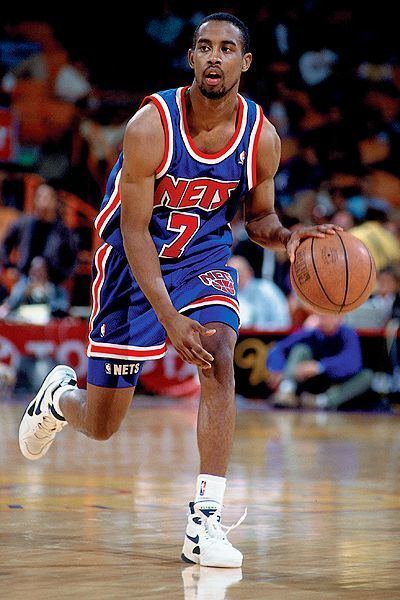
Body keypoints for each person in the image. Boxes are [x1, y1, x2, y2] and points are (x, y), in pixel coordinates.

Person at [18, 13, 340, 568]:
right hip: (129, 261)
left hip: (203, 254)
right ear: (191, 58)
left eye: (227, 49)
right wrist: (169, 318)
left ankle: (205, 519)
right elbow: (134, 230)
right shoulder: (151, 125)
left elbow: (258, 218)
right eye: (204, 47)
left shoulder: (262, 137)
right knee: (102, 423)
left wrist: (288, 237)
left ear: (246, 62)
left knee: (218, 354)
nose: (215, 57)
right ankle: (58, 400)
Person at [267, 314, 373, 409]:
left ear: (339, 319)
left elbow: (353, 363)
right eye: (321, 316)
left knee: (367, 376)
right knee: (301, 349)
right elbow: (279, 347)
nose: (325, 320)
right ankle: (286, 391)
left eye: (329, 316)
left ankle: (321, 402)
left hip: (336, 384)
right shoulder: (313, 332)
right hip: (312, 382)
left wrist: (320, 366)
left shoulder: (348, 334)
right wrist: (277, 369)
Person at [0, 183, 78, 285]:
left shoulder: (63, 231)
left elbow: (72, 258)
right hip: (24, 281)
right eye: (40, 197)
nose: (43, 201)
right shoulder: (24, 224)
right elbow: (4, 245)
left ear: (55, 201)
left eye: (47, 197)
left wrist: (61, 277)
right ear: (35, 200)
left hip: (52, 285)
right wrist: (9, 267)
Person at [227, 255, 290, 329]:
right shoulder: (225, 295)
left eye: (239, 272)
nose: (236, 278)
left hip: (269, 338)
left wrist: (257, 328)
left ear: (250, 271)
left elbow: (283, 322)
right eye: (230, 275)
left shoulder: (266, 288)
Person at [0, 256, 70, 322]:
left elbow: (63, 308)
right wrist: (24, 293)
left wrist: (49, 295)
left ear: (46, 272)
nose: (36, 274)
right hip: (24, 324)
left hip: (47, 326)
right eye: (34, 270)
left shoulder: (56, 289)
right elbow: (10, 305)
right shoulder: (22, 286)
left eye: (40, 270)